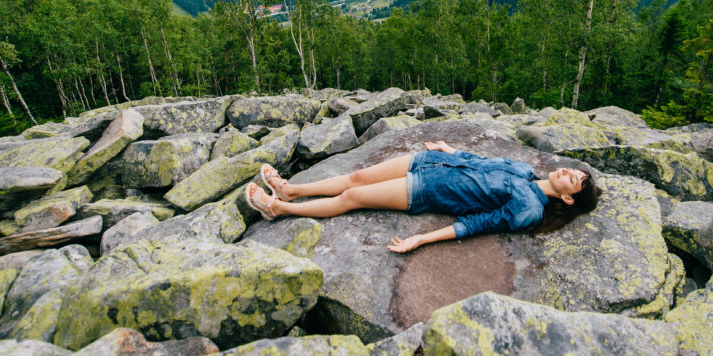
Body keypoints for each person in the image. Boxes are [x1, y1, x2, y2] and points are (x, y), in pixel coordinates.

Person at [243, 139, 602, 253]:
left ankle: (279, 208)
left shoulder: (529, 210)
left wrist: (422, 239)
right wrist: (449, 149)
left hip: (427, 190)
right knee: (357, 175)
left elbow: (477, 224)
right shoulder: (526, 171)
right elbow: (480, 161)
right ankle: (291, 188)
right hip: (431, 162)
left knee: (353, 196)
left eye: (575, 180)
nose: (568, 171)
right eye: (574, 170)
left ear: (568, 199)